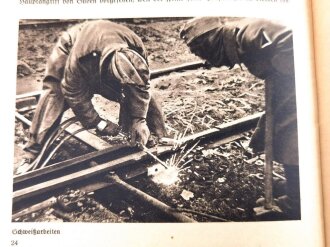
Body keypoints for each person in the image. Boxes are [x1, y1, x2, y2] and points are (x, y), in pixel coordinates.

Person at [180, 17, 300, 219]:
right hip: (293, 82)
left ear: (211, 42)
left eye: (203, 53)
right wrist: (262, 131)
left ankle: (295, 203)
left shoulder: (248, 34)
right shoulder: (241, 39)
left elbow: (294, 40)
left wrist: (278, 68)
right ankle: (297, 186)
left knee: (293, 135)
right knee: (283, 127)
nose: (208, 62)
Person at [18, 20, 167, 173]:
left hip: (105, 42)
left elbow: (142, 87)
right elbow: (72, 92)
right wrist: (98, 123)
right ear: (109, 72)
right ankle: (31, 154)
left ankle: (154, 139)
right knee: (55, 94)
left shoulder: (136, 46)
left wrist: (139, 120)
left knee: (141, 96)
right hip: (73, 45)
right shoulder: (82, 58)